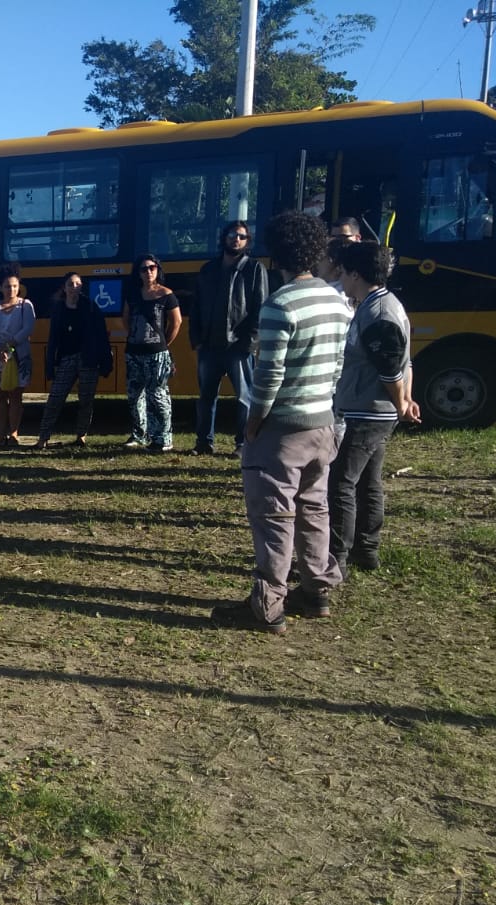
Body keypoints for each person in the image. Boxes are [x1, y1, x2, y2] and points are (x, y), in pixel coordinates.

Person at [211, 211, 349, 634]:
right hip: (323, 423)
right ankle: (316, 590)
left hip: (283, 429)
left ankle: (269, 604)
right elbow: (340, 363)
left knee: (274, 516)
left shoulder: (280, 304)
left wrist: (254, 422)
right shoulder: (336, 300)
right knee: (314, 508)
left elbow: (268, 375)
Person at [327, 241, 421, 584]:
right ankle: (366, 550)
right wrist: (404, 400)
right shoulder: (379, 306)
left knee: (340, 483)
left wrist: (401, 403)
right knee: (368, 482)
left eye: (344, 274)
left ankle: (336, 559)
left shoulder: (378, 313)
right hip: (372, 409)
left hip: (370, 412)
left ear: (355, 274)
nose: (342, 281)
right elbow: (402, 361)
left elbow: (391, 368)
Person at [189, 221, 268, 456]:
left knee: (245, 398)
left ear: (247, 241)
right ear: (224, 237)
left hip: (238, 346)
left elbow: (260, 309)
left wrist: (249, 343)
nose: (236, 239)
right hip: (209, 346)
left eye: (242, 236)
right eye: (233, 234)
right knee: (206, 398)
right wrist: (197, 340)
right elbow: (195, 307)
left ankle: (243, 444)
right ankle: (203, 443)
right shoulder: (208, 269)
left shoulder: (254, 269)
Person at [35, 272, 111, 449]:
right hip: (66, 359)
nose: (74, 287)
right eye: (70, 284)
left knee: (86, 400)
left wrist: (106, 361)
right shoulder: (59, 309)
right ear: (64, 287)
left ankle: (81, 436)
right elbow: (53, 339)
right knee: (55, 399)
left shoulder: (91, 307)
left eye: (78, 284)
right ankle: (42, 439)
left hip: (88, 359)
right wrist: (49, 365)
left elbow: (102, 336)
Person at [122, 254, 181, 452]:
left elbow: (176, 322)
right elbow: (126, 319)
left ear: (157, 270)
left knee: (157, 396)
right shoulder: (133, 294)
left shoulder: (166, 295)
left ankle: (163, 438)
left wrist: (163, 343)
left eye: (152, 268)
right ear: (137, 273)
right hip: (133, 352)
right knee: (134, 394)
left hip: (156, 354)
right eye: (143, 269)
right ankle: (140, 434)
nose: (148, 272)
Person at [0, 263, 37, 448]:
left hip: (19, 357)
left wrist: (9, 347)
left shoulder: (26, 305)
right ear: (0, 288)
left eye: (15, 286)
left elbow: (28, 328)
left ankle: (14, 433)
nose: (11, 289)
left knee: (15, 397)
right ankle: (0, 434)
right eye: (7, 286)